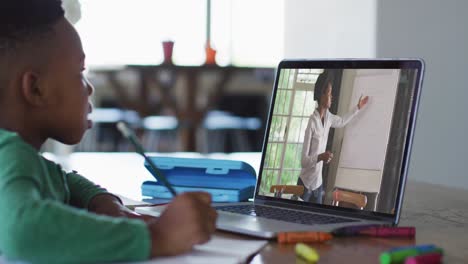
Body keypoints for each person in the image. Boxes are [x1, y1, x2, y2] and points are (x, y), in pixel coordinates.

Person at [0, 1, 217, 263]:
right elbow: (24, 232)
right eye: (80, 73)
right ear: (36, 89)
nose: (89, 88)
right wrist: (159, 237)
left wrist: (99, 199)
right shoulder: (12, 156)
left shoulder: (17, 157)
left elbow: (61, 179)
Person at [297, 70, 369, 204]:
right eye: (330, 93)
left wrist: (358, 107)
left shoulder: (329, 118)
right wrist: (320, 157)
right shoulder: (312, 122)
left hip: (318, 184)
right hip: (305, 184)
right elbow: (304, 161)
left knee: (317, 221)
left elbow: (342, 121)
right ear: (322, 95)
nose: (332, 97)